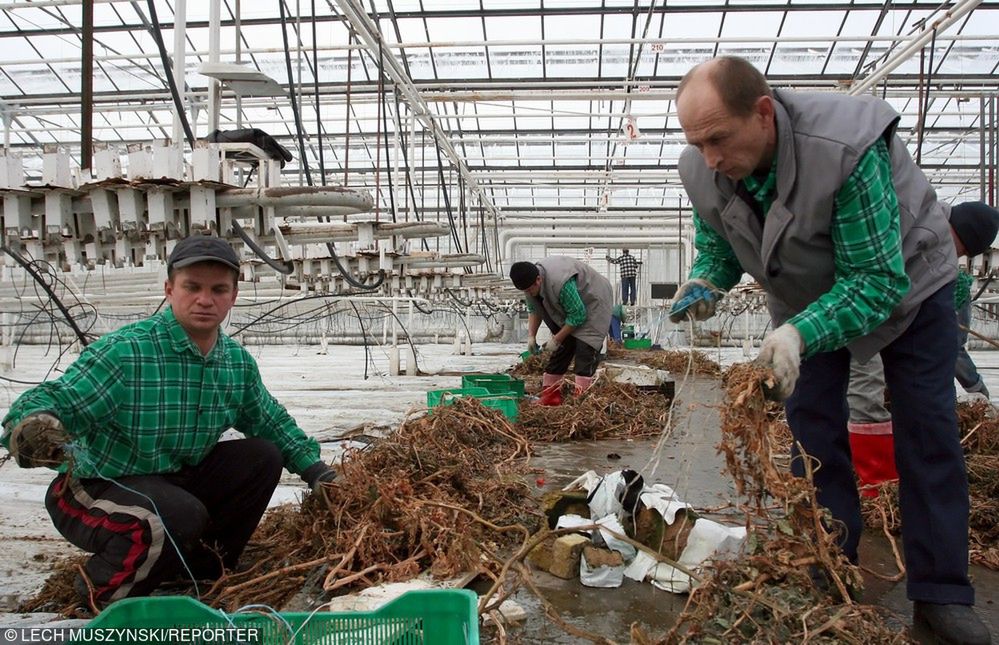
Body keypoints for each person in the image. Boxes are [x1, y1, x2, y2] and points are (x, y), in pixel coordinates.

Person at [668, 55, 989, 643]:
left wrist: (798, 334)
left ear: (763, 114)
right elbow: (720, 240)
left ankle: (941, 593)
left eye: (718, 138)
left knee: (927, 432)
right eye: (696, 142)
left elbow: (875, 281)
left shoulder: (844, 146)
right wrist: (706, 281)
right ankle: (826, 564)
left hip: (911, 285)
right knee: (812, 432)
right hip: (804, 295)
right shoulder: (702, 168)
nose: (710, 157)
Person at [1, 235, 336, 609]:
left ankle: (198, 573)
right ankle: (99, 597)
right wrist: (32, 423)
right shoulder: (128, 352)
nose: (205, 300)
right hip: (94, 487)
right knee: (175, 513)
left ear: (233, 296)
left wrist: (316, 471)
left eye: (218, 290)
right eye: (192, 287)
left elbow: (270, 421)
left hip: (172, 481)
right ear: (169, 289)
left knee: (262, 455)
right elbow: (61, 398)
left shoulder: (234, 363)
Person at [848, 201, 999, 496]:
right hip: (855, 309)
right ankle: (877, 487)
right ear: (959, 234)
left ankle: (870, 481)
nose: (958, 256)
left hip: (862, 311)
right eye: (963, 250)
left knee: (858, 390)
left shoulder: (927, 238)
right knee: (864, 387)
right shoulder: (913, 231)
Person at [510, 257, 613, 406]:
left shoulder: (560, 282)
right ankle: (551, 396)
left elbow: (578, 315)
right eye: (524, 291)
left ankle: (582, 401)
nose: (528, 293)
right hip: (572, 307)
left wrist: (556, 339)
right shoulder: (530, 285)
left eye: (529, 289)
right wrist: (531, 336)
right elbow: (534, 309)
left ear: (538, 280)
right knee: (562, 348)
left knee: (585, 350)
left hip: (593, 300)